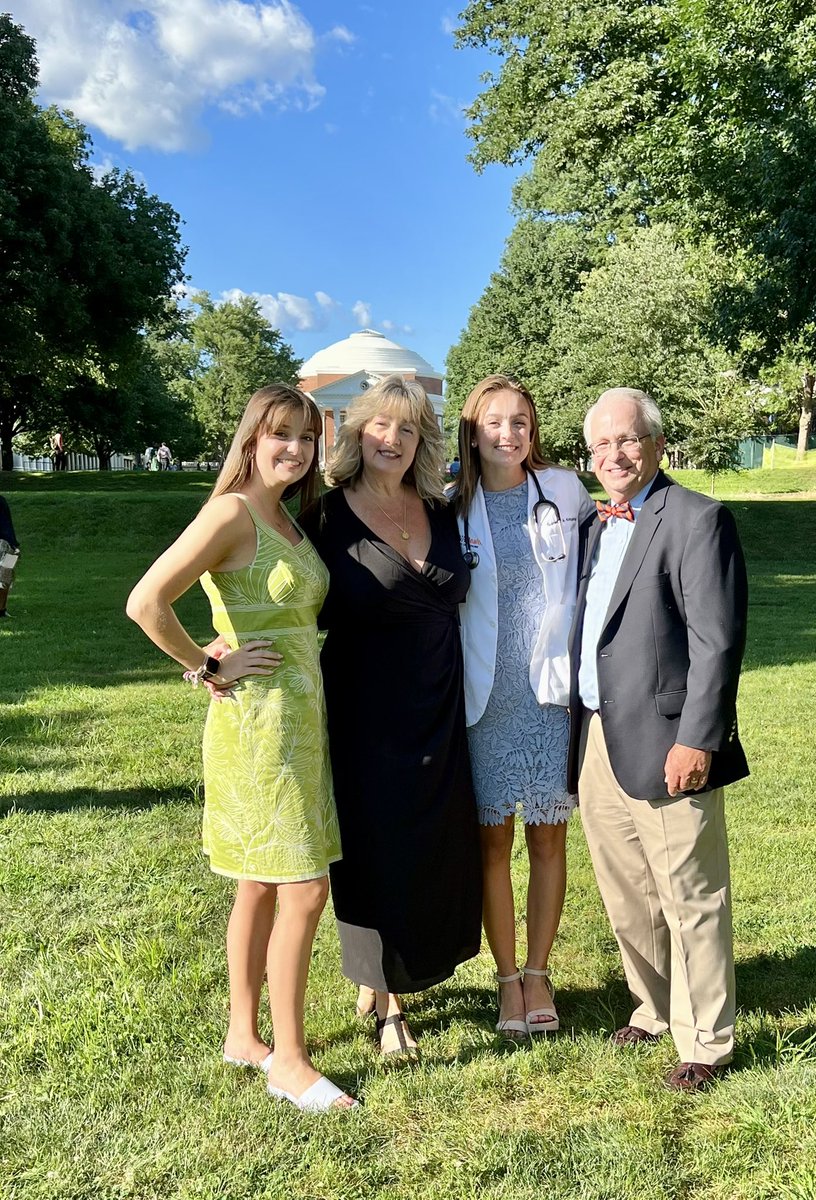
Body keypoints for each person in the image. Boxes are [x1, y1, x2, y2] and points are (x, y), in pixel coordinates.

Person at [126, 384, 356, 1112]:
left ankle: (241, 1035)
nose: (295, 449)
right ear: (252, 438)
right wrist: (204, 663)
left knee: (259, 883)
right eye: (281, 434)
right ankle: (289, 1060)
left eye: (307, 438)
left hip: (301, 722)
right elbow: (146, 602)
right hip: (258, 728)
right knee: (303, 887)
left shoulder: (284, 516)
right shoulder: (229, 512)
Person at [568, 387, 748, 1092]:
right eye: (602, 444)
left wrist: (698, 738)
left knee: (691, 891)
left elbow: (718, 641)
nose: (614, 454)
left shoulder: (698, 519)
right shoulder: (590, 522)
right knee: (627, 891)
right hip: (594, 736)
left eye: (628, 439)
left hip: (670, 738)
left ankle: (705, 1038)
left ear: (657, 445)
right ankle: (651, 1006)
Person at [299, 374, 482, 1059]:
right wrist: (221, 648)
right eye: (381, 425)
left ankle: (380, 975)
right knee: (377, 851)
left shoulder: (440, 510)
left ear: (422, 442)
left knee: (430, 845)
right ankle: (389, 1007)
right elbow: (275, 592)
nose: (393, 439)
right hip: (364, 711)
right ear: (356, 431)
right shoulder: (322, 516)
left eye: (408, 429)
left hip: (439, 704)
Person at [452, 375, 595, 1039]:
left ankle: (539, 972)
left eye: (520, 422)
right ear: (471, 430)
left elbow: (599, 574)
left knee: (547, 837)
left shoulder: (564, 491)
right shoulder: (451, 504)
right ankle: (506, 978)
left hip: (548, 694)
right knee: (492, 842)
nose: (508, 434)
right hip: (483, 695)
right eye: (494, 423)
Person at [0, 494, 20, 619]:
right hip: (10, 545)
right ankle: (2, 610)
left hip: (7, 545)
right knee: (5, 579)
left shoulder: (1, 501)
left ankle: (2, 610)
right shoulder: (2, 500)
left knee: (4, 579)